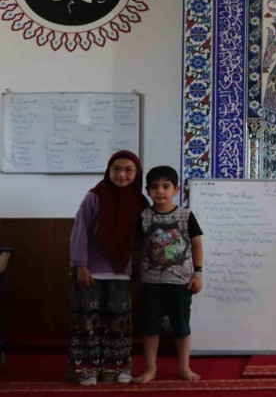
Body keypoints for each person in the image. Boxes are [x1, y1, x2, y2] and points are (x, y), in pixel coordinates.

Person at [68, 150, 147, 386]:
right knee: (87, 322)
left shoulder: (140, 201)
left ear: (137, 173)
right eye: (116, 169)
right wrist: (80, 265)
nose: (122, 174)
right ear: (108, 171)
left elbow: (143, 239)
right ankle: (86, 370)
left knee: (119, 323)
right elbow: (80, 231)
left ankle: (117, 367)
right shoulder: (94, 197)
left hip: (122, 271)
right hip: (91, 270)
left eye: (128, 170)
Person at [133, 165, 204, 383]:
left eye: (166, 186)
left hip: (181, 282)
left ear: (176, 189)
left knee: (181, 326)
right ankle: (150, 369)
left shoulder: (185, 216)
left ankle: (184, 367)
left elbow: (197, 244)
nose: (160, 191)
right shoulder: (143, 216)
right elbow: (136, 248)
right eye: (154, 187)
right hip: (150, 282)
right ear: (148, 191)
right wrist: (136, 276)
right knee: (150, 328)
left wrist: (198, 273)